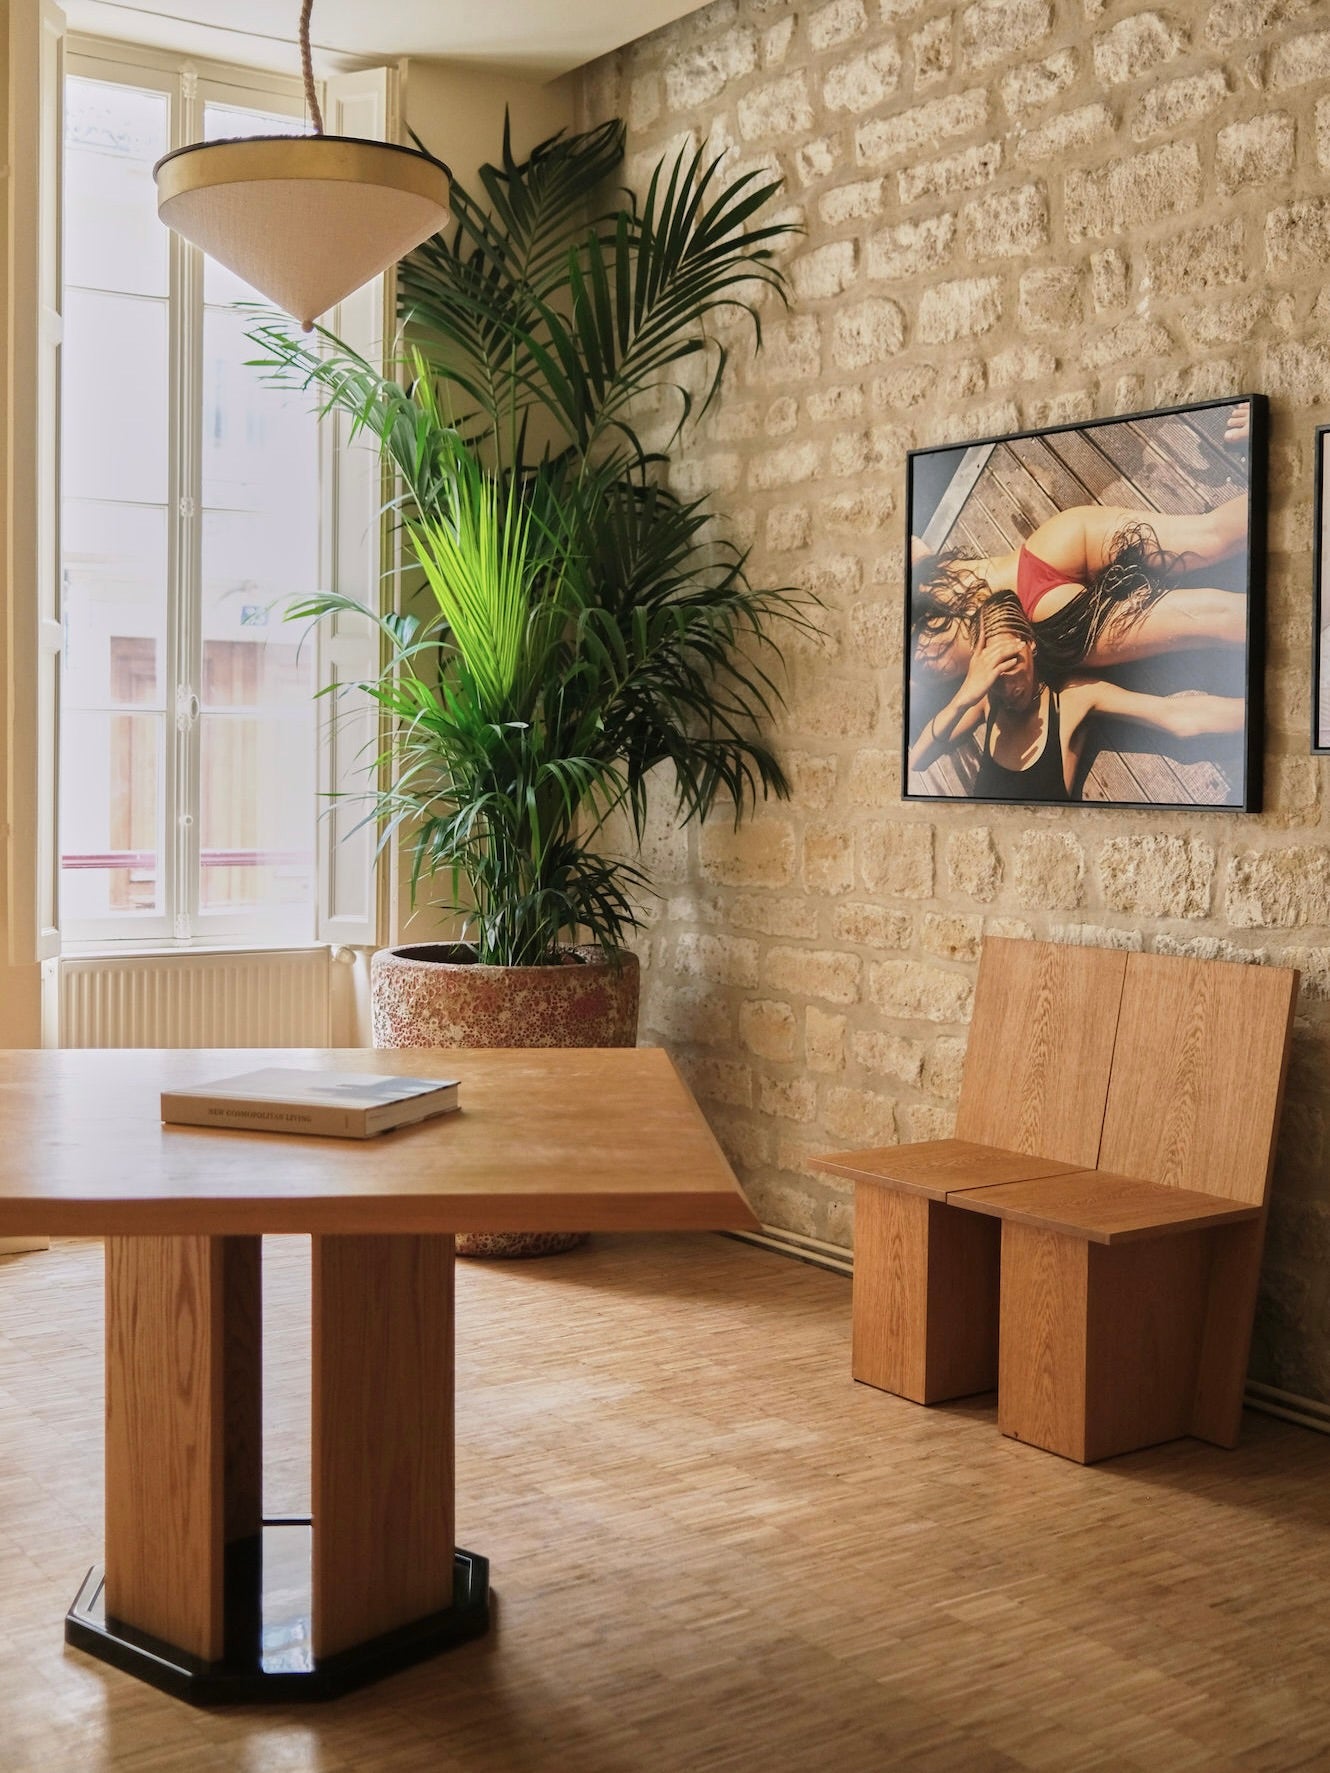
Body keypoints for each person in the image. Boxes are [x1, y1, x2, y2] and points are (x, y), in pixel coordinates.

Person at [911, 409, 1251, 688]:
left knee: (1211, 618)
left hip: (1043, 623)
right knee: (1211, 535)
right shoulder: (913, 575)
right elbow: (913, 545)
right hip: (1046, 549)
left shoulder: (911, 667)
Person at [908, 591, 1244, 803]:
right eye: (995, 677)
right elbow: (917, 760)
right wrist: (965, 696)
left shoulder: (1072, 699)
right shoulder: (984, 703)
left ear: (1031, 644)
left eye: (1013, 665)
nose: (1008, 688)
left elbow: (1179, 719)